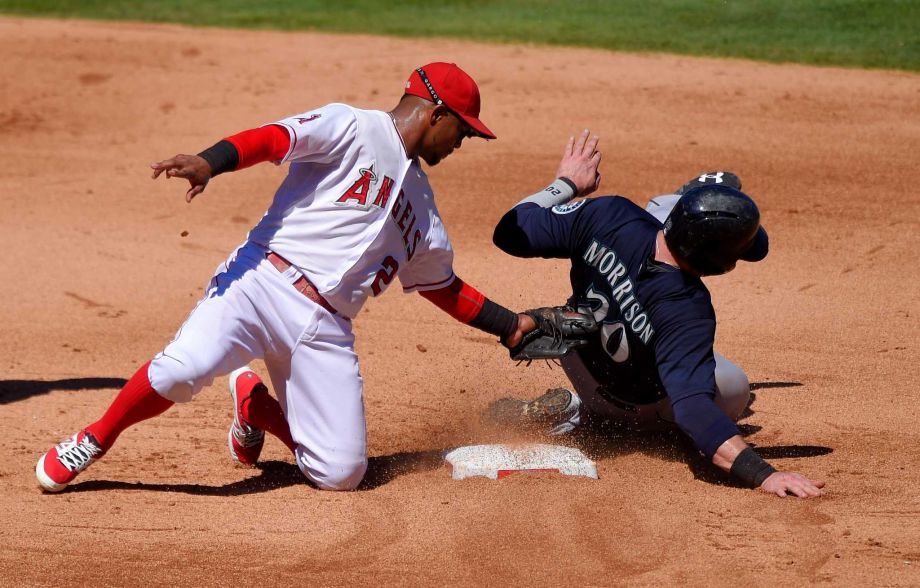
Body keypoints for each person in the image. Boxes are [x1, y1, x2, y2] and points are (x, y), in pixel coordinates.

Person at [36, 62, 537, 493]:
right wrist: (212, 162)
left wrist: (508, 325)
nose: (463, 142)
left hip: (325, 329)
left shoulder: (424, 210)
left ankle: (255, 405)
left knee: (341, 473)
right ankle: (94, 439)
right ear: (438, 114)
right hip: (260, 285)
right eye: (464, 131)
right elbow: (278, 138)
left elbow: (441, 287)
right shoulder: (353, 126)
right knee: (179, 372)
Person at [490, 132, 826, 498]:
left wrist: (566, 184)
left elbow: (511, 232)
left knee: (592, 317)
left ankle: (578, 407)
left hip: (577, 358)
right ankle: (589, 418)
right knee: (732, 386)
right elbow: (694, 410)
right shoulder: (687, 309)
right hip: (632, 409)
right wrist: (764, 474)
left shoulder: (611, 214)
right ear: (719, 262)